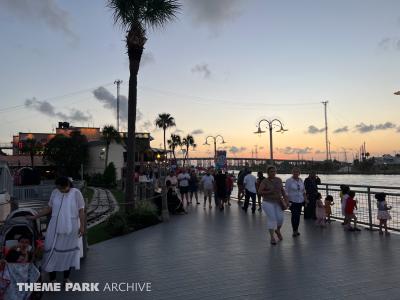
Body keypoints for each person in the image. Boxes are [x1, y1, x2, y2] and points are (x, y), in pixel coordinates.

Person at [29, 176, 85, 283]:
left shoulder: (76, 193)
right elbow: (49, 208)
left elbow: (81, 210)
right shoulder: (55, 192)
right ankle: (52, 279)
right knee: (52, 250)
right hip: (55, 226)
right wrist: (35, 216)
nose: (59, 189)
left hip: (72, 226)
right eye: (58, 187)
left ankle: (66, 278)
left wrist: (82, 226)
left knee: (68, 253)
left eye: (61, 188)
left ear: (67, 185)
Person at [258, 166, 289, 245]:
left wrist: (286, 200)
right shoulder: (265, 181)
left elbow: (282, 191)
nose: (273, 173)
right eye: (271, 171)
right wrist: (269, 191)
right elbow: (260, 192)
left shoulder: (279, 180)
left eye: (274, 171)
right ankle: (272, 237)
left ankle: (278, 230)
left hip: (278, 202)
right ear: (268, 173)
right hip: (267, 202)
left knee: (280, 219)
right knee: (272, 219)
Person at [285, 167, 307, 236]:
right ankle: (294, 230)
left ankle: (296, 229)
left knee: (298, 216)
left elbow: (303, 191)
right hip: (292, 201)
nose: (296, 173)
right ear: (292, 173)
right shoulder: (289, 180)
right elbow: (286, 192)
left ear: (299, 173)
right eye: (294, 172)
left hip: (300, 201)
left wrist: (305, 199)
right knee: (295, 215)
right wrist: (287, 201)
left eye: (297, 172)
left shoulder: (301, 180)